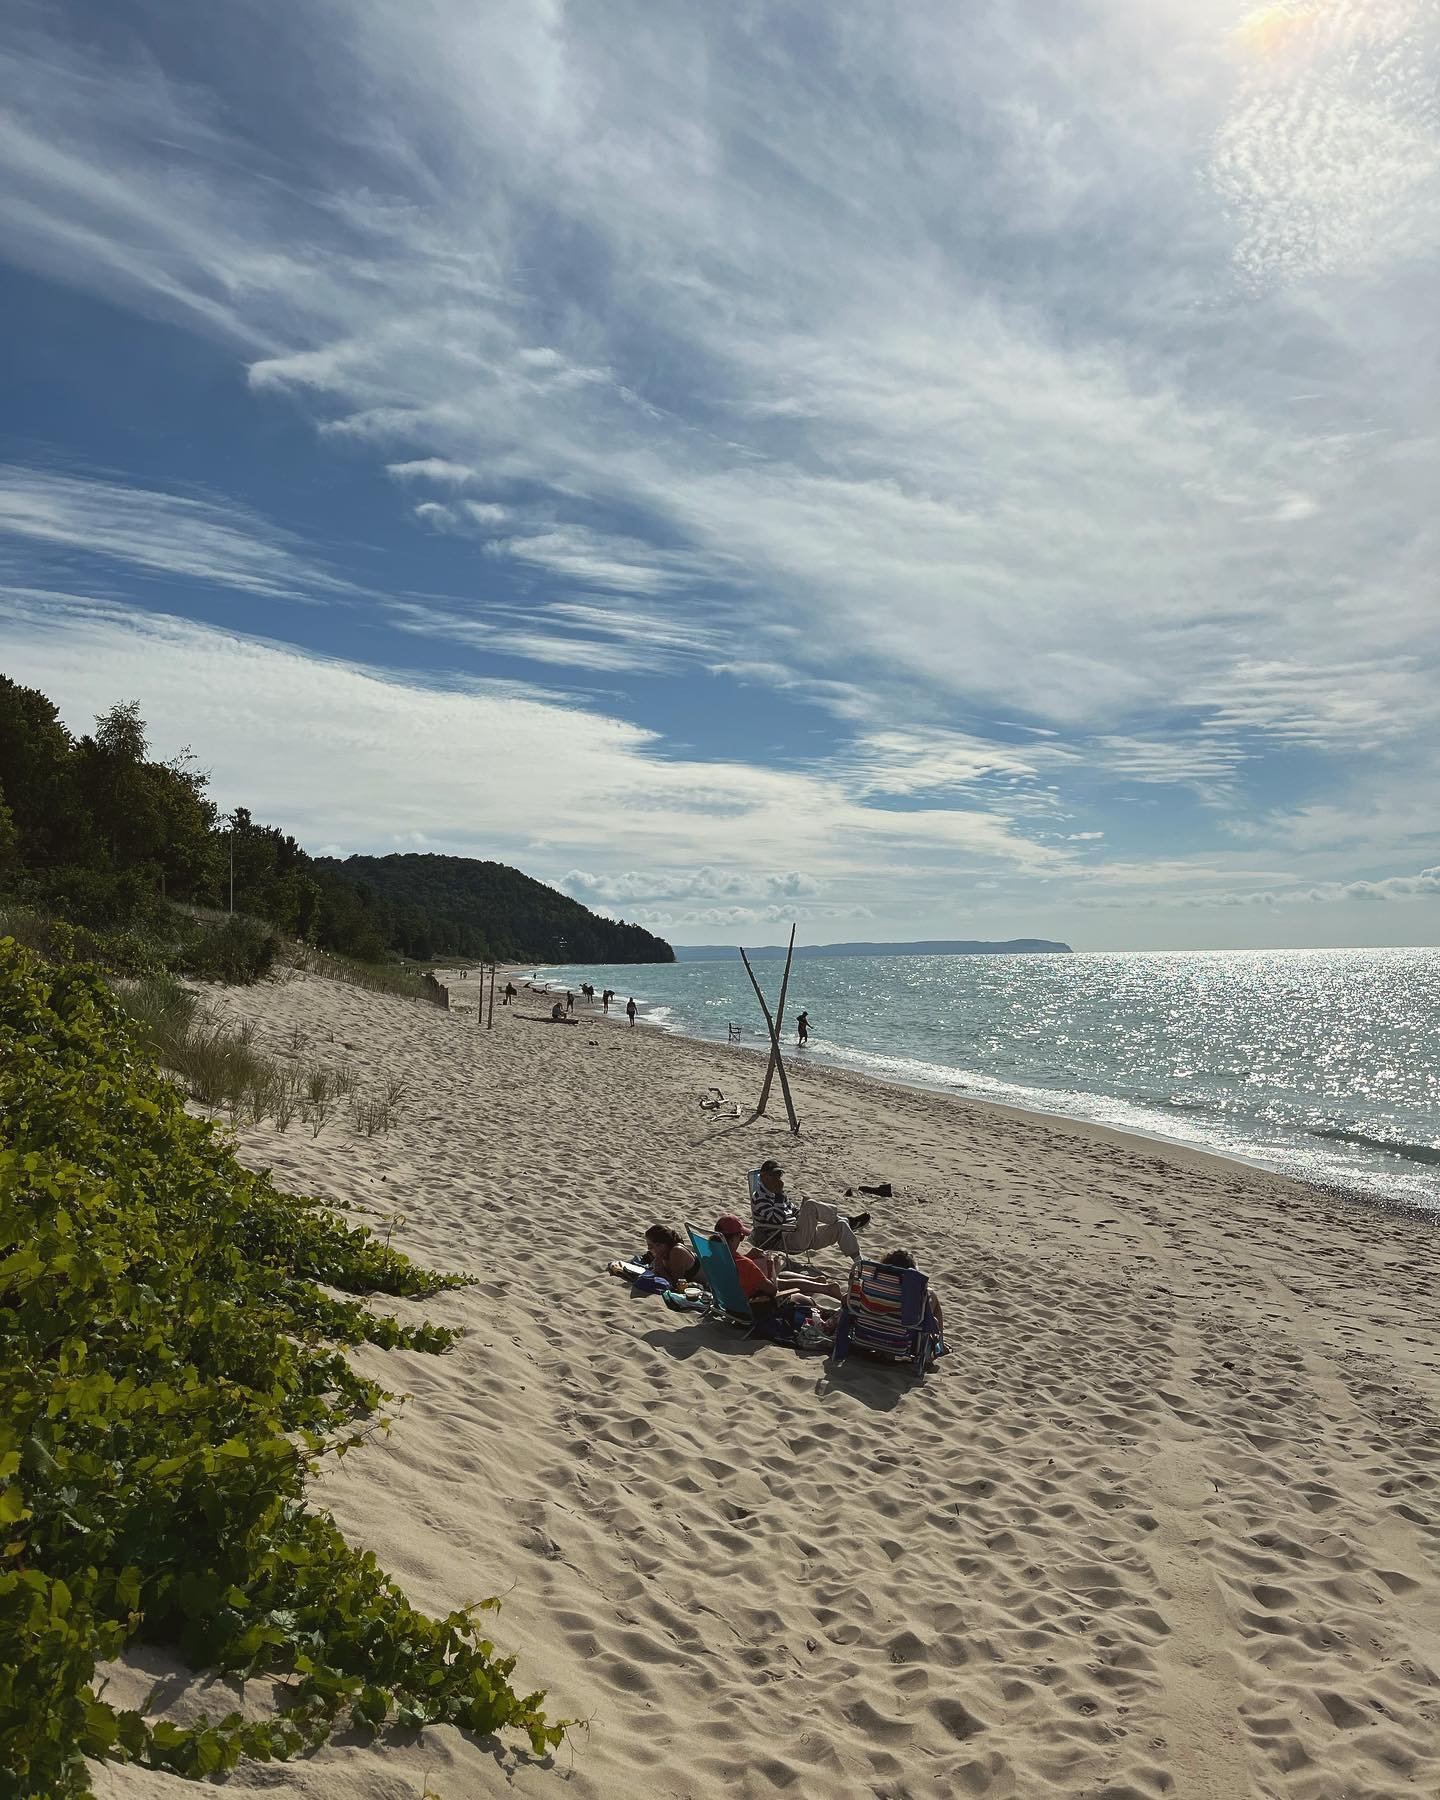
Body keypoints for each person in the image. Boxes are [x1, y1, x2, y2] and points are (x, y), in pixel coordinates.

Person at [749, 1159, 869, 1259]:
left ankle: (859, 1263)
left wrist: (803, 1214)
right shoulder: (759, 1197)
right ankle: (848, 1221)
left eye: (779, 1175)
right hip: (784, 1240)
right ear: (763, 1177)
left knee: (841, 1225)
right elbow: (777, 1220)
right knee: (811, 1205)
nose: (778, 1179)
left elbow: (794, 1211)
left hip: (800, 1233)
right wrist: (779, 1195)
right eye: (773, 1175)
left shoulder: (778, 1194)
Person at [713, 1215, 842, 1306]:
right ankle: (824, 1288)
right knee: (803, 1299)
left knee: (779, 1278)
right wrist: (769, 1268)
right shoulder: (745, 1265)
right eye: (740, 1237)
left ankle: (819, 1284)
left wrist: (748, 1257)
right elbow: (772, 1290)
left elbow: (736, 1268)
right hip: (755, 1305)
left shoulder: (712, 1258)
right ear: (732, 1239)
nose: (741, 1241)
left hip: (729, 1303)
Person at [878, 1248, 945, 1339]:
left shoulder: (875, 1286)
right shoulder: (912, 1293)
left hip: (867, 1332)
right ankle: (940, 1345)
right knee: (932, 1295)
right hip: (901, 1339)